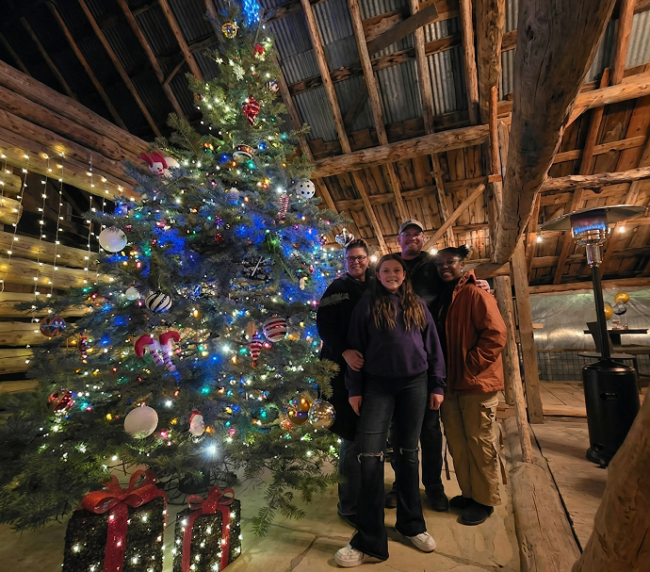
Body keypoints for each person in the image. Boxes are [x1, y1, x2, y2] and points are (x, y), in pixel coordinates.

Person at [334, 254, 446, 567]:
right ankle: (369, 540)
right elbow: (355, 349)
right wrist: (354, 389)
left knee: (408, 455)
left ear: (404, 275)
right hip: (377, 388)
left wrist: (438, 385)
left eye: (397, 270)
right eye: (386, 270)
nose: (392, 275)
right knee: (370, 458)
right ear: (378, 275)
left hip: (415, 385)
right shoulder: (366, 306)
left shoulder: (418, 306)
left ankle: (412, 525)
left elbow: (434, 347)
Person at [432, 245, 507, 526]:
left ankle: (486, 500)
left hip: (476, 385)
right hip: (451, 384)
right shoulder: (444, 297)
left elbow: (496, 334)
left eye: (450, 262)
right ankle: (470, 493)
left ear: (461, 264)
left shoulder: (475, 293)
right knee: (458, 442)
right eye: (440, 264)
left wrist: (470, 365)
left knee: (481, 442)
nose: (444, 267)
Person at [316, 239, 372, 528]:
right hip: (341, 370)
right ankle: (348, 504)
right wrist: (344, 351)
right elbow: (324, 325)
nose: (356, 262)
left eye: (360, 258)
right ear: (345, 261)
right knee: (350, 438)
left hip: (371, 371)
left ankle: (366, 495)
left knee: (368, 437)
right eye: (351, 259)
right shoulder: (337, 288)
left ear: (368, 258)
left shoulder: (376, 284)